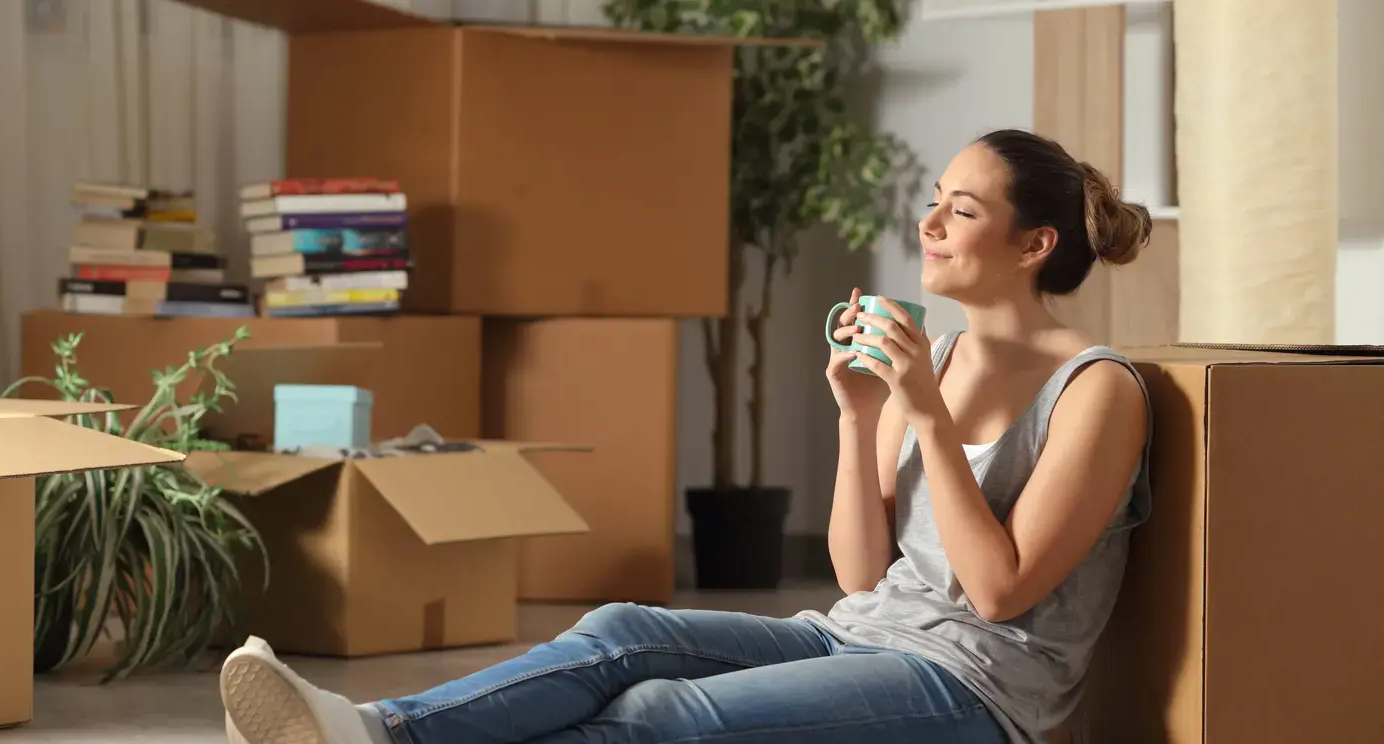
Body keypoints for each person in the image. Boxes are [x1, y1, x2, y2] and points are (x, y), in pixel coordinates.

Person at [217, 128, 1155, 744]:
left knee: (663, 716)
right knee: (624, 633)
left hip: (977, 692)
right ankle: (379, 732)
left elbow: (996, 593)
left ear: (1033, 246)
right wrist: (858, 416)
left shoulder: (1096, 391)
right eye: (936, 198)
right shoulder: (938, 360)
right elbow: (861, 579)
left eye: (964, 208)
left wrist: (922, 417)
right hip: (860, 637)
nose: (930, 222)